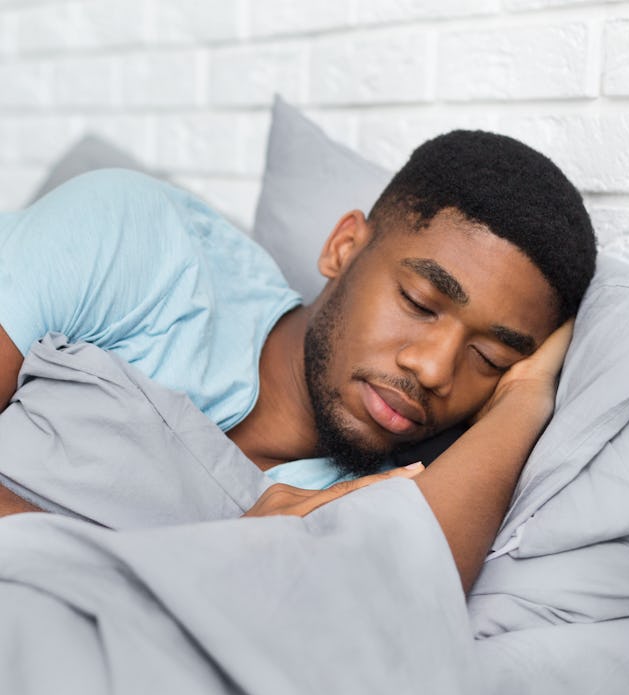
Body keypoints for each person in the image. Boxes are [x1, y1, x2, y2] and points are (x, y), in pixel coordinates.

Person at [0, 130, 596, 591]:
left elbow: (414, 600)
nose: (435, 370)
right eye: (418, 303)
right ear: (344, 248)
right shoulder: (140, 239)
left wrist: (525, 400)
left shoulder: (378, 494)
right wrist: (199, 572)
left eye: (488, 359)